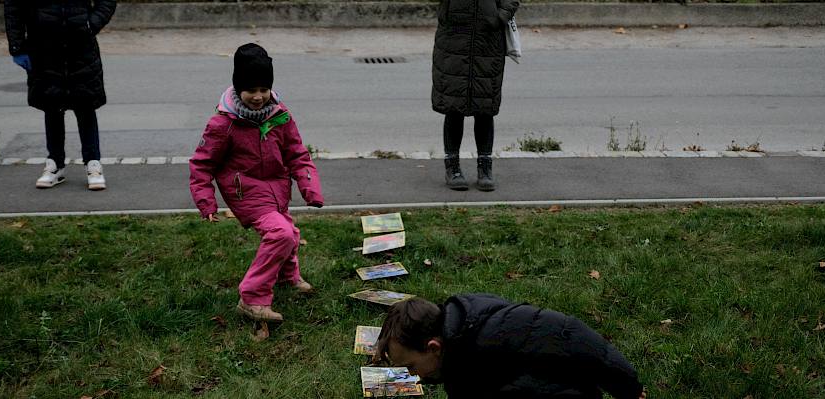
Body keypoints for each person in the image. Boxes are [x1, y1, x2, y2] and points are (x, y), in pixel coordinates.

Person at [189, 43, 324, 323]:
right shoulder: (223, 123)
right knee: (280, 234)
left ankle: (288, 276)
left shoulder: (280, 115)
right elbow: (202, 162)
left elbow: (297, 152)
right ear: (238, 88)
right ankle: (252, 298)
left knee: (289, 231)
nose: (258, 97)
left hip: (277, 188)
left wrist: (309, 188)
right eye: (251, 90)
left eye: (264, 89)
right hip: (246, 191)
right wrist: (206, 200)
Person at [373, 294, 646, 399]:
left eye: (410, 365)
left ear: (433, 347)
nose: (411, 374)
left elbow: (574, 337)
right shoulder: (455, 357)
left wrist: (628, 386)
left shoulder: (498, 332)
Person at [4, 0, 116, 190]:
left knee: (85, 105)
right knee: (52, 105)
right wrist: (17, 46)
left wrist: (91, 23)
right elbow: (13, 7)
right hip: (43, 48)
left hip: (81, 47)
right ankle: (55, 163)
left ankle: (93, 164)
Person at [432, 0, 519, 192]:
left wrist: (500, 17)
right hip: (453, 41)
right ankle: (452, 167)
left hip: (488, 41)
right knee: (454, 106)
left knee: (485, 106)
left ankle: (485, 167)